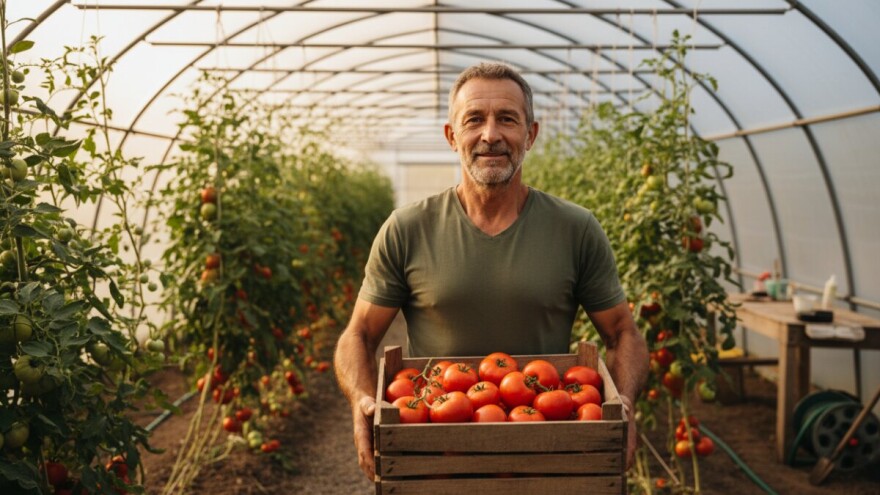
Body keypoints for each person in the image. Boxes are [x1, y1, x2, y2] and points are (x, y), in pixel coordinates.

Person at [334, 61, 649, 481]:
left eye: (507, 119)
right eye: (474, 120)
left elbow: (622, 332)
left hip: (549, 452)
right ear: (451, 136)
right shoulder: (407, 229)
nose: (490, 135)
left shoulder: (576, 229)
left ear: (530, 134)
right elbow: (358, 334)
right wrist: (360, 400)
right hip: (436, 454)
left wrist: (623, 403)